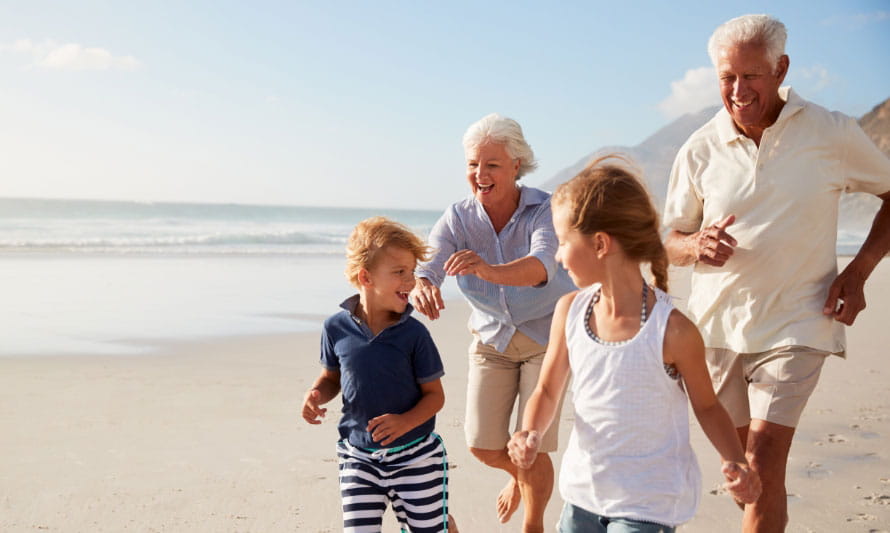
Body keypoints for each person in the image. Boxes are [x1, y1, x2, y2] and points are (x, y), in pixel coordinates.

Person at [663, 14, 890, 532]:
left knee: (763, 458)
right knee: (746, 475)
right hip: (716, 329)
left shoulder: (831, 132)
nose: (738, 90)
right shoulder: (699, 148)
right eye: (727, 78)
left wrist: (858, 273)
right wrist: (695, 244)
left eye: (752, 76)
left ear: (781, 68)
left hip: (799, 321)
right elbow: (670, 242)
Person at [507, 158, 762, 533]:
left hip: (648, 505)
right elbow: (546, 390)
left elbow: (707, 406)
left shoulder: (672, 332)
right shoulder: (570, 311)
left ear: (600, 244)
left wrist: (737, 463)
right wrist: (530, 431)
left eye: (562, 242)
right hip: (582, 495)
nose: (558, 256)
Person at [412, 113, 575, 533]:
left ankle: (533, 524)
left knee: (531, 447)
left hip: (546, 338)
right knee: (482, 444)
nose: (480, 174)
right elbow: (428, 264)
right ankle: (517, 476)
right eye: (472, 164)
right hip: (492, 340)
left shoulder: (544, 208)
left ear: (516, 164)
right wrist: (423, 285)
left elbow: (542, 266)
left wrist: (487, 270)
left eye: (492, 165)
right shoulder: (458, 217)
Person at [301, 216, 458, 532]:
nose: (410, 281)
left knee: (429, 529)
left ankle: (444, 524)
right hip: (358, 456)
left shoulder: (414, 335)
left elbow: (435, 396)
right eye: (399, 272)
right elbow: (332, 376)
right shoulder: (335, 328)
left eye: (412, 272)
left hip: (416, 457)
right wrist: (317, 393)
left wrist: (404, 422)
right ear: (366, 277)